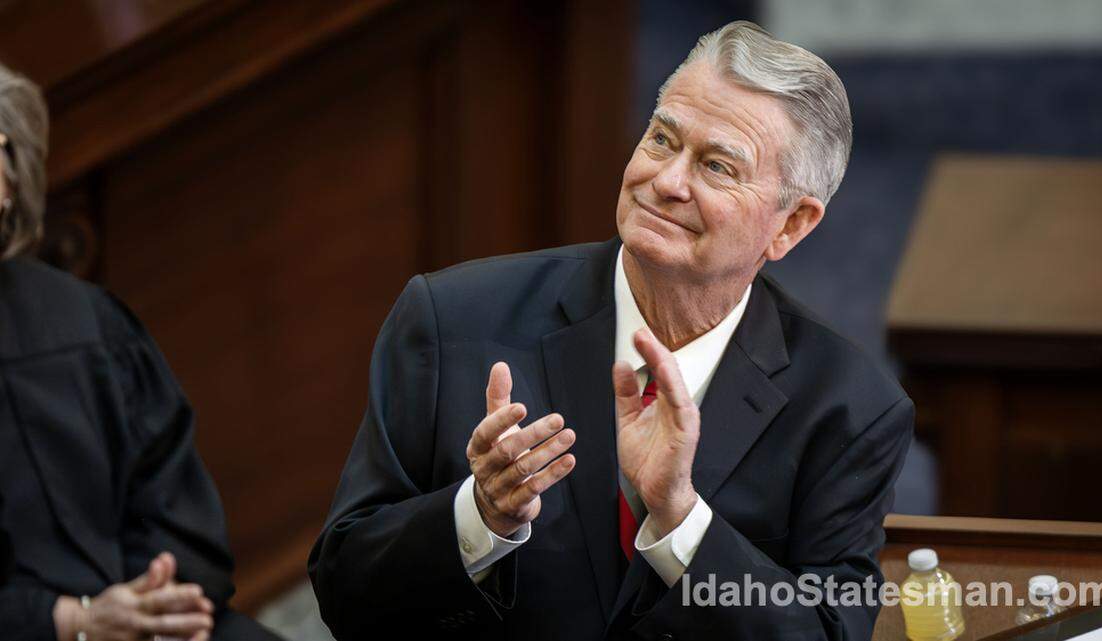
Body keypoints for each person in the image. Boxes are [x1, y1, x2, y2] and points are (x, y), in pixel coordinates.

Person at [310, 21, 913, 640]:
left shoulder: (850, 407)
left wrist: (682, 524)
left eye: (716, 166)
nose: (668, 182)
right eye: (661, 139)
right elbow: (345, 587)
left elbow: (826, 633)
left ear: (791, 226)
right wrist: (479, 514)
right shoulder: (450, 320)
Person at [0, 63, 281, 641]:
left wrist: (154, 607)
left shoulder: (91, 326)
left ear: (7, 179)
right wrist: (72, 622)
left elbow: (181, 523)